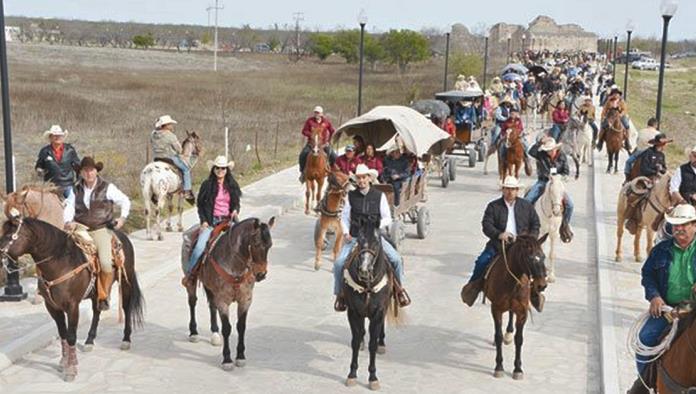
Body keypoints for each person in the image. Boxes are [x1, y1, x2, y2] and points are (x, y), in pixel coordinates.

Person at [626, 204, 696, 394]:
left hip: (695, 308)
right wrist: (655, 297)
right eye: (675, 225)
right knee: (645, 338)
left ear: (694, 225)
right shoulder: (661, 250)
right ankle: (645, 382)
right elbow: (647, 274)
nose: (679, 229)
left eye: (684, 224)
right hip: (667, 309)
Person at [332, 164, 410, 312]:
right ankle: (339, 295)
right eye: (359, 178)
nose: (361, 180)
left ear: (369, 178)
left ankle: (399, 291)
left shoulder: (379, 196)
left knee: (396, 260)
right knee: (338, 263)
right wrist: (346, 232)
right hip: (355, 237)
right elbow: (344, 217)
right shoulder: (351, 196)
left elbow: (388, 217)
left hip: (374, 237)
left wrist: (378, 224)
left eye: (364, 177)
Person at [460, 176, 541, 306]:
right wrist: (499, 234)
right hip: (499, 244)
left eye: (513, 189)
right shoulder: (493, 206)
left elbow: (535, 224)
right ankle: (473, 288)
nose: (510, 192)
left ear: (517, 190)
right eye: (507, 189)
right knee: (482, 261)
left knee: (536, 264)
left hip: (521, 246)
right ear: (503, 190)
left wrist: (529, 239)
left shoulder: (526, 206)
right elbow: (487, 225)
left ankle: (536, 293)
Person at [64, 157, 131, 311]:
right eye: (85, 170)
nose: (89, 173)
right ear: (80, 173)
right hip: (80, 228)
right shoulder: (75, 189)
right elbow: (69, 206)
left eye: (91, 170)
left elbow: (125, 201)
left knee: (106, 263)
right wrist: (68, 221)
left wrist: (122, 218)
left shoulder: (107, 187)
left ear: (96, 171)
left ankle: (103, 295)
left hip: (101, 228)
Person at [182, 155, 241, 286]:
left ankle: (245, 274)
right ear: (213, 169)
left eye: (223, 168)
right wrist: (203, 221)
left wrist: (235, 210)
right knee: (199, 247)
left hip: (227, 220)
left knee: (242, 243)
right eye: (218, 168)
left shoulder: (232, 185)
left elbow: (236, 203)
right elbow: (201, 205)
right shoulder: (207, 185)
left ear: (227, 170)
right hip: (211, 222)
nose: (220, 171)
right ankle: (190, 274)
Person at [525, 137, 574, 241]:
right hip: (543, 181)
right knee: (528, 199)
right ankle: (526, 224)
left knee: (570, 205)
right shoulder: (541, 154)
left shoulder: (562, 156)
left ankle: (564, 225)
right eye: (547, 150)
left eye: (551, 150)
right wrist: (539, 142)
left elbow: (566, 171)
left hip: (557, 183)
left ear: (555, 149)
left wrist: (558, 177)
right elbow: (531, 152)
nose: (549, 152)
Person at [150, 115, 195, 204]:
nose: (172, 126)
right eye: (170, 124)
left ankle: (154, 193)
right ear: (165, 125)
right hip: (169, 158)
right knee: (186, 169)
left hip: (156, 158)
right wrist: (181, 152)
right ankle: (187, 191)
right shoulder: (170, 135)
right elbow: (179, 149)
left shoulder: (153, 134)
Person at [35, 125, 81, 199]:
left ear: (62, 137)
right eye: (55, 135)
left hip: (68, 185)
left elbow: (78, 166)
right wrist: (40, 171)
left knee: (72, 206)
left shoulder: (70, 150)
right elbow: (39, 166)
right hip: (50, 186)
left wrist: (78, 182)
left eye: (59, 135)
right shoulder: (45, 151)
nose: (57, 137)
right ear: (50, 137)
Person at [299, 106, 336, 182]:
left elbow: (332, 131)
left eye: (318, 113)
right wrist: (312, 135)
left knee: (334, 156)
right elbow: (304, 131)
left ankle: (333, 174)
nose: (316, 114)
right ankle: (303, 172)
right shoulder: (309, 121)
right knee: (303, 154)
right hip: (311, 144)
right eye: (315, 112)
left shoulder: (326, 122)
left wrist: (329, 141)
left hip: (323, 144)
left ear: (322, 113)